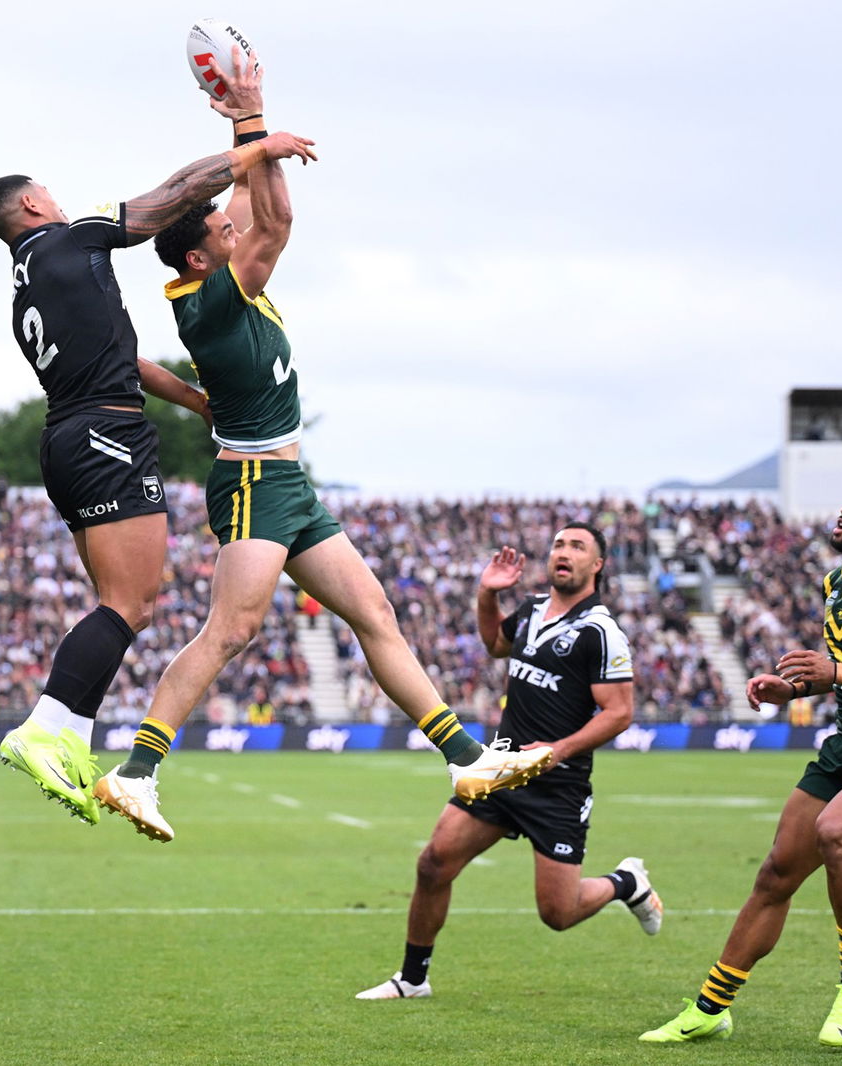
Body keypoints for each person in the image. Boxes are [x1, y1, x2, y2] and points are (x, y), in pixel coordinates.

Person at [89, 51, 553, 842]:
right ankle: (135, 773)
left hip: (288, 485)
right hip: (252, 486)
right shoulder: (214, 297)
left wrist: (248, 117)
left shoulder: (223, 279)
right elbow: (275, 220)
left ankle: (466, 759)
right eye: (220, 229)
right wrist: (255, 124)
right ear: (204, 255)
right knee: (231, 632)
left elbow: (247, 204)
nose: (232, 223)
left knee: (375, 611)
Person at [0, 103, 318, 824]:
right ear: (34, 203)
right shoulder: (70, 239)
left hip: (67, 440)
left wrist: (195, 402)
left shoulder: (28, 284)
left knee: (120, 601)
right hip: (107, 438)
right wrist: (257, 151)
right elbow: (173, 196)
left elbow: (123, 358)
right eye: (51, 193)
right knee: (130, 604)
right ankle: (44, 726)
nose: (62, 200)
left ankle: (69, 733)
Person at [640, 466, 842, 1048]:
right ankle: (711, 1008)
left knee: (835, 832)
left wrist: (836, 673)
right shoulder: (840, 580)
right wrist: (797, 689)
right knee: (776, 874)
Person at [354, 524, 664, 1000]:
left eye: (578, 547)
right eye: (559, 544)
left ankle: (626, 882)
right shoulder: (534, 609)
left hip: (558, 785)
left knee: (558, 914)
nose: (564, 552)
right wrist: (486, 594)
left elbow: (620, 713)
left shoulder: (601, 632)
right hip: (501, 770)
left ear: (597, 565)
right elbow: (495, 644)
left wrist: (555, 751)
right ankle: (413, 979)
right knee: (434, 862)